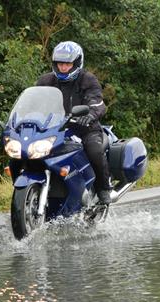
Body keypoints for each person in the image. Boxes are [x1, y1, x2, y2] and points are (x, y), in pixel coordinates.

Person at [36, 41, 111, 204]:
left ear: (76, 63)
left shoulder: (87, 79)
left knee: (94, 150)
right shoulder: (45, 81)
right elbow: (35, 103)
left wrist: (90, 115)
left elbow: (97, 101)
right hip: (55, 130)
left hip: (85, 128)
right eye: (60, 64)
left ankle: (103, 187)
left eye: (67, 64)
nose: (63, 67)